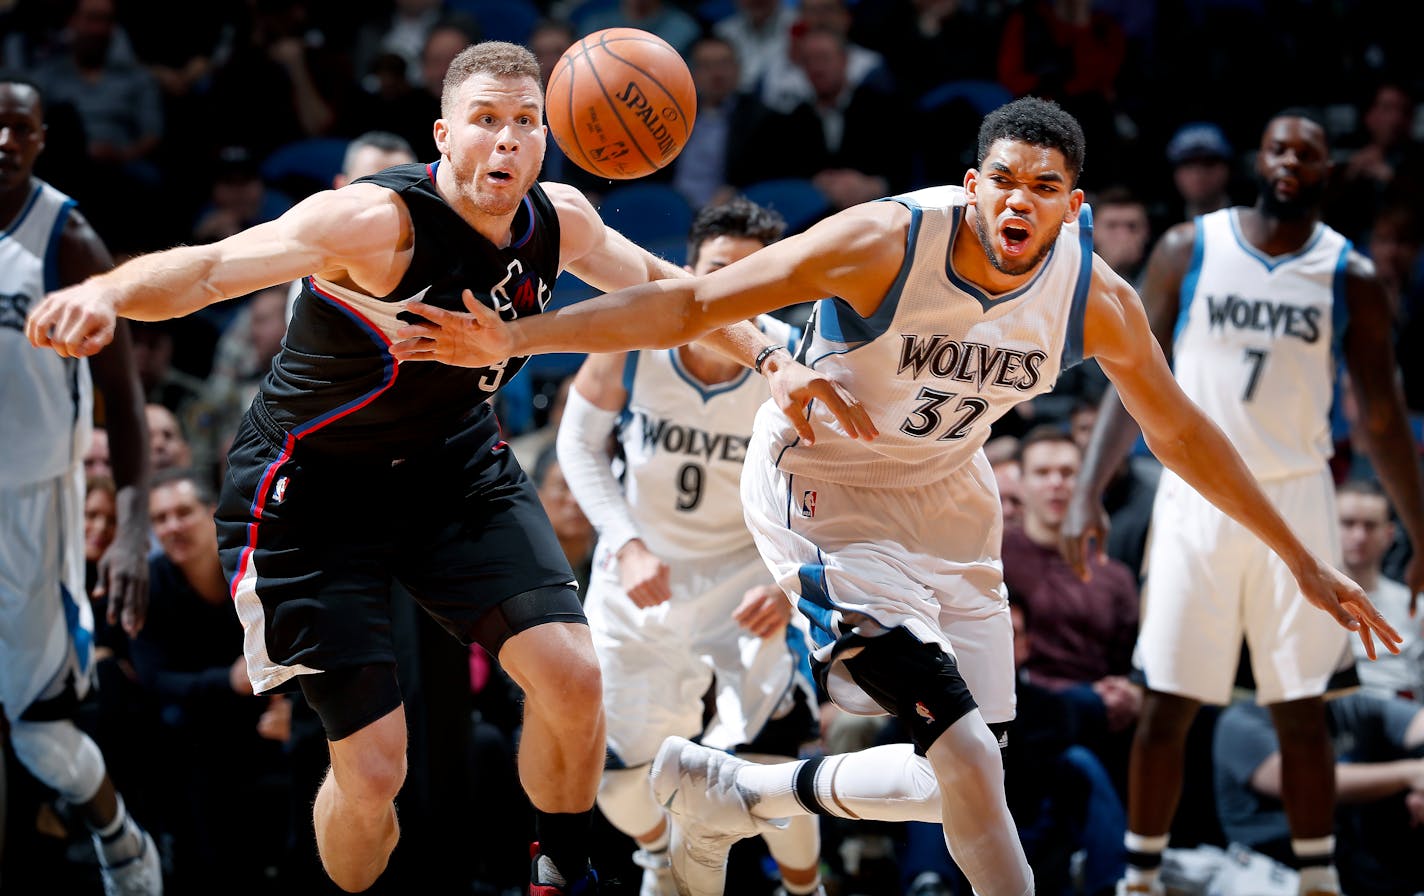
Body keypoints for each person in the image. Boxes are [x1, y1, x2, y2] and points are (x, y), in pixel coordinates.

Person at [381, 96, 1399, 896]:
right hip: (818, 492)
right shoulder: (881, 240)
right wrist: (515, 336)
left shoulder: (1098, 300)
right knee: (955, 750)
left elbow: (1179, 432)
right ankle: (737, 788)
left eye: (1043, 187)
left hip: (951, 506)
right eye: (1001, 179)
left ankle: (738, 785)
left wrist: (1299, 556)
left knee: (971, 781)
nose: (1018, 201)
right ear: (972, 183)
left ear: (1073, 207)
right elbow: (688, 301)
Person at [23, 41, 856, 896]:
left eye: (526, 122)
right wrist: (109, 294)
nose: (506, 141)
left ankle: (557, 875)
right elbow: (211, 269)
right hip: (310, 497)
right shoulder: (372, 222)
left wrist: (771, 358)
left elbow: (675, 294)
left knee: (572, 676)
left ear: (549, 134)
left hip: (452, 466)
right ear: (443, 134)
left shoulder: (558, 219)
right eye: (486, 121)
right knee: (376, 775)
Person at [1064, 110, 1424, 896]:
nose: (1290, 161)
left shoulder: (1348, 275)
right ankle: (1140, 875)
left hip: (1300, 501)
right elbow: (1133, 377)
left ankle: (1317, 877)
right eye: (1278, 148)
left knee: (1302, 708)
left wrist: (1421, 527)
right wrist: (1087, 489)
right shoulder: (1189, 247)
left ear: (1327, 171)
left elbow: (1385, 415)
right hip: (1196, 503)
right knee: (1168, 699)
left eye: (1308, 152)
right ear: (1256, 160)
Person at [555, 196, 824, 896]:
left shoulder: (791, 365)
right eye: (713, 272)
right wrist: (625, 541)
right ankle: (658, 857)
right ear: (688, 270)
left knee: (770, 770)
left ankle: (806, 888)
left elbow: (835, 492)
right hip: (641, 572)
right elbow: (578, 445)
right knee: (613, 774)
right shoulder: (637, 337)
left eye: (747, 275)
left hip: (746, 580)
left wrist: (787, 583)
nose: (724, 291)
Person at [0, 74, 160, 894]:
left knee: (42, 738)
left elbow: (125, 407)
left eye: (16, 129)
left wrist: (132, 528)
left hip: (36, 510)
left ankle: (117, 834)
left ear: (37, 140)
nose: (1, 141)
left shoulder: (66, 239)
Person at [1212, 690, 1424, 896]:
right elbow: (1297, 784)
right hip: (1278, 861)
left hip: (1354, 853)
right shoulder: (1243, 722)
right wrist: (1410, 774)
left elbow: (1418, 724)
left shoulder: (1343, 705)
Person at [1338, 477, 1422, 701]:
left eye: (1370, 525)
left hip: (1401, 714)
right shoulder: (1305, 601)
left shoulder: (1415, 606)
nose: (1359, 536)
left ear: (1389, 534)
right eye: (1348, 523)